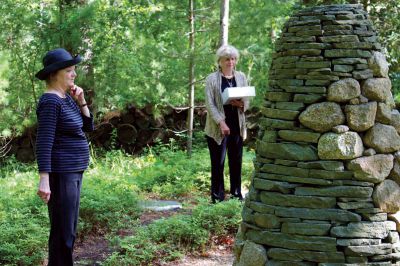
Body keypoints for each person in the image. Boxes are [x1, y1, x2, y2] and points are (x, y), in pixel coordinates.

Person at [35, 48, 94, 265]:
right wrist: (44, 179)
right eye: (69, 70)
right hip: (62, 174)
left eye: (74, 69)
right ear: (54, 74)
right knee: (63, 232)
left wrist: (81, 101)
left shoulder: (66, 98)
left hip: (74, 171)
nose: (74, 74)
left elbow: (87, 127)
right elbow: (44, 141)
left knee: (68, 231)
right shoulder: (50, 101)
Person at [204, 45, 250, 203]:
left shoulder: (242, 77)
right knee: (218, 163)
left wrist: (241, 104)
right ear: (220, 61)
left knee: (236, 161)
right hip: (217, 127)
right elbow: (210, 105)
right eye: (227, 59)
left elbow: (247, 100)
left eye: (233, 58)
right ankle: (217, 198)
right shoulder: (211, 79)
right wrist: (221, 123)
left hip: (237, 124)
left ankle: (237, 195)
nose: (230, 61)